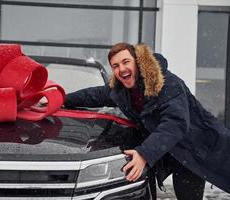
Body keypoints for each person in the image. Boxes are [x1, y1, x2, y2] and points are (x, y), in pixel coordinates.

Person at [64, 42, 230, 199]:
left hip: (195, 147)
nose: (121, 69)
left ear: (137, 62)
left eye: (125, 62)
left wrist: (145, 153)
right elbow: (94, 95)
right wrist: (61, 99)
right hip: (165, 149)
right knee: (142, 181)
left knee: (187, 194)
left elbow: (175, 123)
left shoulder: (166, 83)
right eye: (115, 66)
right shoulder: (122, 90)